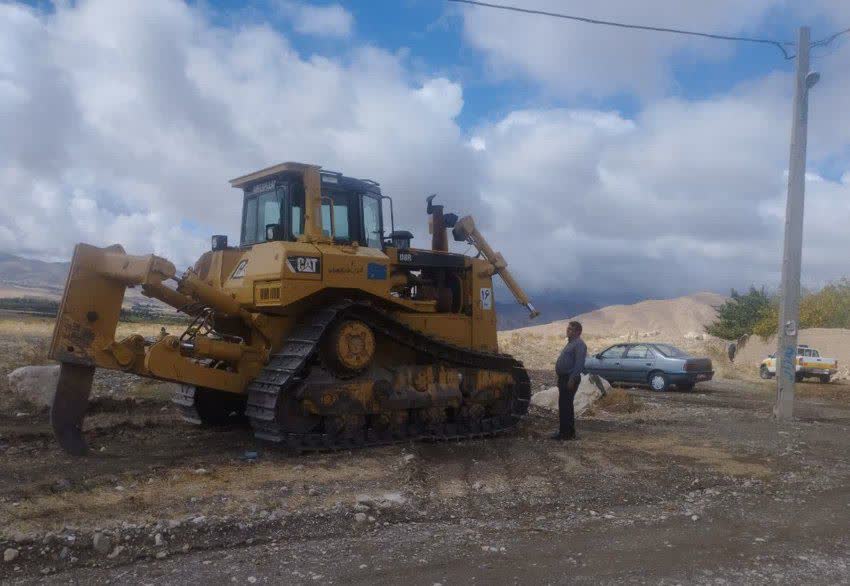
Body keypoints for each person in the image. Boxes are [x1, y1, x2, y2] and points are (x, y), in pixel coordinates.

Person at [553, 320, 587, 441]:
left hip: (570, 379)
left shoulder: (579, 344)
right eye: (568, 328)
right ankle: (567, 432)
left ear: (578, 332)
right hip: (564, 378)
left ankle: (565, 434)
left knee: (566, 405)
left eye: (571, 329)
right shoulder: (570, 343)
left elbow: (579, 364)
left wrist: (572, 380)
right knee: (564, 405)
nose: (568, 331)